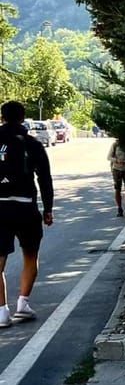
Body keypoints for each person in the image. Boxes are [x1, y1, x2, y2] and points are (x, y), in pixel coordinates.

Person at [0, 100, 54, 327]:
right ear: (23, 119)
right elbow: (44, 178)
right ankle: (23, 304)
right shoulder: (33, 144)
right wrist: (48, 209)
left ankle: (2, 312)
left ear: (2, 117)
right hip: (26, 205)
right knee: (30, 254)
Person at [108, 139, 125, 217]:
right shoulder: (115, 144)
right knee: (117, 189)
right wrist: (116, 160)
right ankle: (119, 208)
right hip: (117, 169)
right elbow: (109, 157)